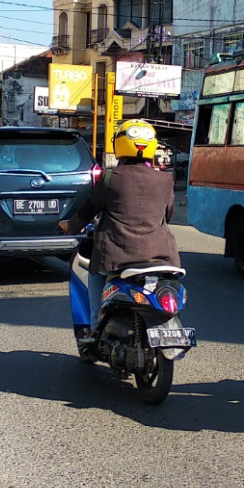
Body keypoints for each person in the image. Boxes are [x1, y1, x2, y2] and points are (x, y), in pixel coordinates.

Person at [58, 119, 180, 342]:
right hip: (161, 256)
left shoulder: (109, 178)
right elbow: (168, 215)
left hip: (117, 256)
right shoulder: (165, 179)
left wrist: (68, 226)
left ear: (120, 145)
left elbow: (87, 211)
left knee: (95, 276)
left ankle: (96, 326)